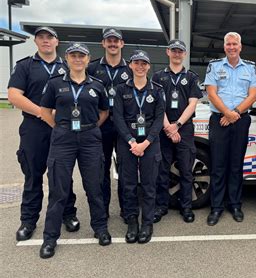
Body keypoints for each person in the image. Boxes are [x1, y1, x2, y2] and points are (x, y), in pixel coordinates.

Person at [39, 42, 111, 259]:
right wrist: (61, 128)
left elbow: (104, 111)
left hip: (90, 139)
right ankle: (50, 238)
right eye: (74, 56)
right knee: (58, 190)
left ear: (88, 60)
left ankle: (100, 228)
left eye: (82, 56)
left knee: (94, 187)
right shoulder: (54, 84)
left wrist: (89, 129)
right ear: (67, 59)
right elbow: (44, 111)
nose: (78, 59)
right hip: (63, 138)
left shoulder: (97, 85)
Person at [8, 26, 79, 242]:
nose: (46, 41)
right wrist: (43, 113)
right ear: (36, 41)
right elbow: (14, 95)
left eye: (50, 37)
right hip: (35, 127)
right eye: (41, 37)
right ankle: (28, 220)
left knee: (63, 175)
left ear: (57, 42)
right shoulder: (26, 66)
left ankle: (68, 214)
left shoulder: (67, 67)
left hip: (61, 129)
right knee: (33, 175)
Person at [203, 32, 256, 226]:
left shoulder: (250, 67)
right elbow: (211, 93)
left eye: (235, 44)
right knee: (218, 165)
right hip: (219, 120)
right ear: (224, 46)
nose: (232, 47)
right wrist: (227, 113)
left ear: (240, 47)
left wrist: (234, 113)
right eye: (228, 44)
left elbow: (252, 95)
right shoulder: (215, 66)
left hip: (240, 120)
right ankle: (216, 207)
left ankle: (235, 204)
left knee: (236, 165)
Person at [113, 50, 165, 243]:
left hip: (150, 142)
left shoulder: (157, 90)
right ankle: (132, 221)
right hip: (127, 142)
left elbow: (159, 118)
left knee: (150, 184)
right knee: (128, 184)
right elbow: (117, 117)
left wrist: (145, 143)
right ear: (131, 65)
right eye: (137, 63)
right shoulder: (121, 89)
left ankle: (147, 223)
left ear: (149, 66)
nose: (140, 66)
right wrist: (131, 141)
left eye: (144, 63)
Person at [152, 40, 203, 223]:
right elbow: (157, 105)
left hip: (185, 129)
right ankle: (161, 206)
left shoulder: (191, 77)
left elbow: (193, 103)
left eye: (180, 51)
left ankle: (186, 207)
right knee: (162, 170)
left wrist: (178, 125)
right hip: (163, 129)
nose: (176, 54)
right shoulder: (158, 77)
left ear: (184, 54)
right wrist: (168, 127)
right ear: (168, 52)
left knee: (186, 170)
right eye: (173, 50)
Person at [87, 28, 131, 220]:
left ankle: (125, 208)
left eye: (116, 41)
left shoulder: (131, 68)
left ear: (122, 44)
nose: (113, 44)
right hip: (101, 124)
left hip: (124, 126)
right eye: (109, 41)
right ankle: (102, 209)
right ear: (103, 44)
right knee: (101, 169)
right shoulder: (92, 68)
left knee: (124, 168)